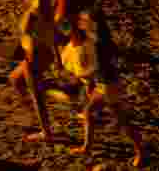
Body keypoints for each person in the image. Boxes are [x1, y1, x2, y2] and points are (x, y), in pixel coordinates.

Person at [60, 10, 144, 167]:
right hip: (103, 84)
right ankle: (87, 147)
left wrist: (80, 76)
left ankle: (141, 152)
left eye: (84, 20)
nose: (80, 22)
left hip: (108, 86)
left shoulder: (98, 42)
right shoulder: (95, 39)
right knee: (89, 112)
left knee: (122, 122)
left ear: (93, 24)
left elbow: (94, 68)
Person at [6, 0, 60, 143]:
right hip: (46, 53)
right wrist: (57, 58)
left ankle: (46, 131)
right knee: (15, 79)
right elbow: (53, 36)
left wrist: (28, 58)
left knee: (36, 95)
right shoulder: (49, 11)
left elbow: (26, 37)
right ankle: (34, 116)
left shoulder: (32, 14)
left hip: (33, 55)